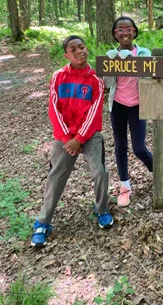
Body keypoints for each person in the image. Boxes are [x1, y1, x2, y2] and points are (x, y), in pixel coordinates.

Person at [31, 35, 113, 247]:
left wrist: (80, 138)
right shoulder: (58, 77)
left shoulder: (95, 80)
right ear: (66, 54)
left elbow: (95, 112)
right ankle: (43, 222)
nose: (80, 52)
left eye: (82, 47)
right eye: (73, 49)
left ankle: (102, 210)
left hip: (89, 135)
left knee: (100, 172)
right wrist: (68, 138)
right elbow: (53, 109)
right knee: (56, 176)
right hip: (64, 136)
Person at [105, 16, 153, 207]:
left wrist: (131, 61)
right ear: (115, 34)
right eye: (120, 30)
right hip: (117, 105)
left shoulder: (143, 52)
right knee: (120, 146)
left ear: (134, 31)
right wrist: (111, 66)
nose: (125, 32)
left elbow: (148, 74)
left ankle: (157, 171)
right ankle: (125, 186)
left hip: (138, 105)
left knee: (139, 148)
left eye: (128, 28)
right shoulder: (110, 55)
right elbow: (108, 84)